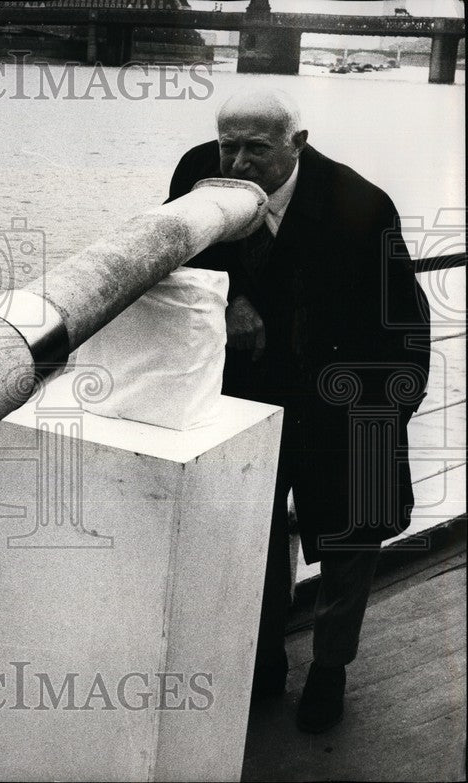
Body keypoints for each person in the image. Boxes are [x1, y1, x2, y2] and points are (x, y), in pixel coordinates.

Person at [167, 89, 431, 733]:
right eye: (230, 143)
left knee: (352, 534)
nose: (238, 161)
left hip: (348, 387)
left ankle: (329, 669)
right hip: (249, 391)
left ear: (298, 143)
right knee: (246, 529)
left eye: (257, 148)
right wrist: (228, 299)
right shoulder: (197, 172)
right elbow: (178, 260)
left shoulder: (359, 204)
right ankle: (260, 664)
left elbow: (400, 314)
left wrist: (391, 410)